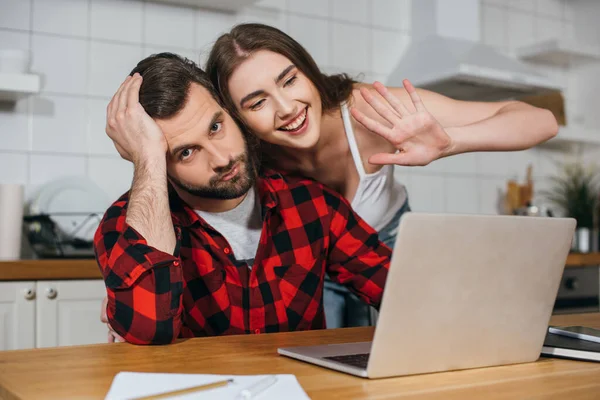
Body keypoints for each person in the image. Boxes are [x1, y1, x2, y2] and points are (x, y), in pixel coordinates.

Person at [204, 23, 560, 328]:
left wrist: (449, 144)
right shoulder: (247, 158)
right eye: (257, 103)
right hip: (312, 275)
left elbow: (542, 121)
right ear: (236, 117)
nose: (286, 108)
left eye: (289, 81)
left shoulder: (371, 110)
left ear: (308, 70)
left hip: (391, 254)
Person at [96, 53, 391, 345]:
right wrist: (146, 157)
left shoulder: (312, 205)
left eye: (215, 127)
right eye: (185, 152)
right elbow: (150, 330)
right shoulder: (122, 224)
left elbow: (400, 290)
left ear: (230, 112)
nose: (222, 158)